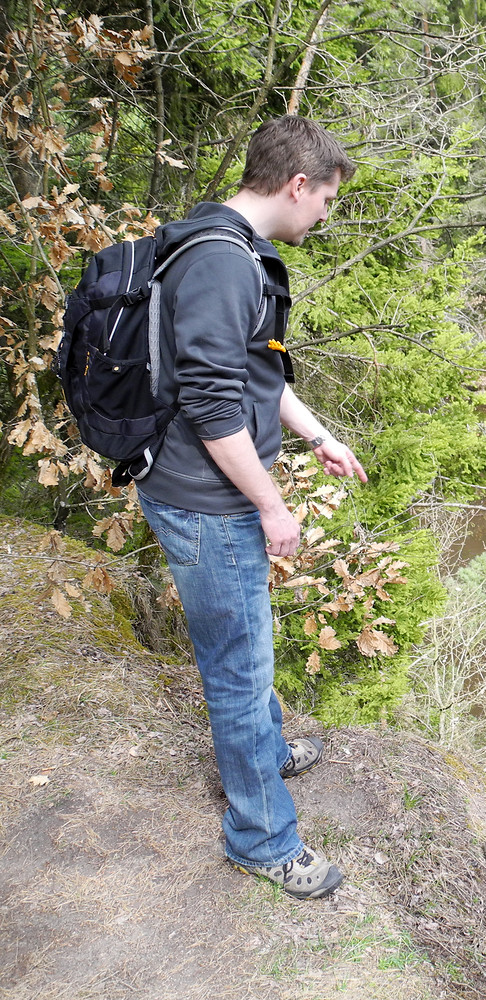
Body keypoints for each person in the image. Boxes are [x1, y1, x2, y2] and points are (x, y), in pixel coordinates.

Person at [135, 116, 366, 900]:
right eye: (327, 199)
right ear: (297, 185)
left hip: (213, 494)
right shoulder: (222, 264)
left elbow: (253, 375)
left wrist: (319, 437)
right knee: (238, 670)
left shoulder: (219, 242)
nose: (326, 215)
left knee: (248, 645)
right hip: (208, 502)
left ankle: (262, 751)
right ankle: (261, 839)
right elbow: (209, 403)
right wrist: (272, 506)